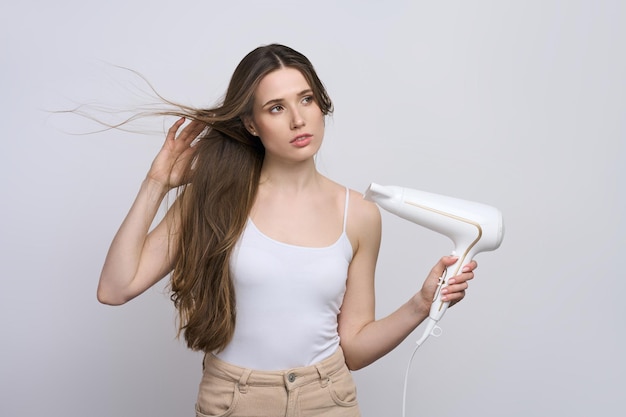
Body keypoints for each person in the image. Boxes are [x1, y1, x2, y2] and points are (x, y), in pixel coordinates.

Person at [97, 44, 476, 417]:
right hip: (234, 400)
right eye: (276, 108)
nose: (298, 119)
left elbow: (355, 350)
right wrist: (157, 182)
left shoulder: (359, 214)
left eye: (306, 99)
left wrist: (421, 304)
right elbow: (115, 288)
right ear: (250, 124)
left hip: (328, 399)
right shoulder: (212, 200)